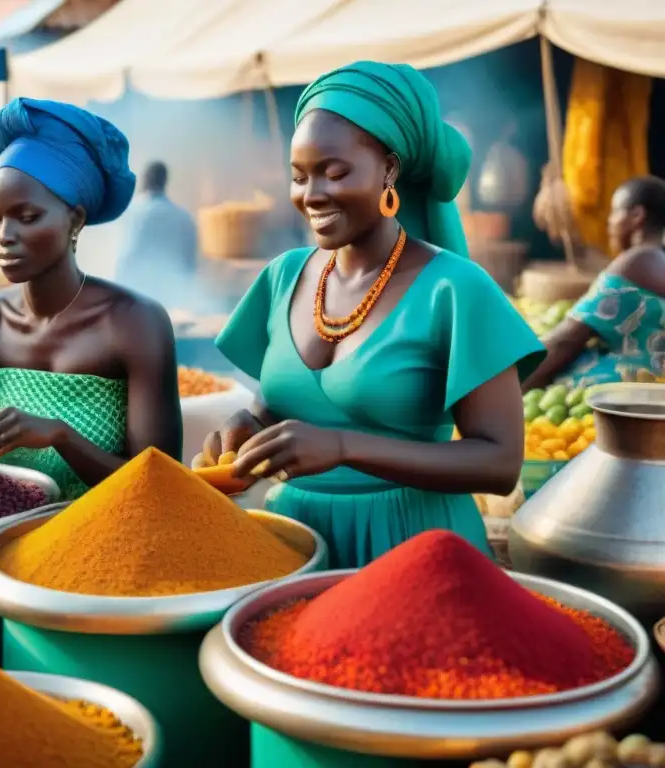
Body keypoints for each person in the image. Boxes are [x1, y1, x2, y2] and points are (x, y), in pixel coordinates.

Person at [197, 62, 545, 568]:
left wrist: (344, 446)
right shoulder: (283, 277)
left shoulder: (454, 289)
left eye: (335, 173)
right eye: (299, 176)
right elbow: (281, 406)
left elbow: (498, 463)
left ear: (389, 170)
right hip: (296, 546)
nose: (312, 194)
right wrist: (248, 425)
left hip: (413, 548)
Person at [0, 98, 182, 500]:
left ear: (76, 220)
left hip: (109, 542)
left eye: (28, 216)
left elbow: (162, 483)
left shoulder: (134, 323)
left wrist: (61, 437)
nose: (5, 235)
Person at [524, 176, 665, 389]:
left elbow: (567, 340)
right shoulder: (656, 260)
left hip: (624, 400)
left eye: (615, 211)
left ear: (637, 215)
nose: (609, 221)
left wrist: (511, 385)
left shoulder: (638, 260)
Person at [115, 161, 198, 306]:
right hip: (170, 298)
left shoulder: (129, 212)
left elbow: (125, 254)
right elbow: (189, 263)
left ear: (144, 179)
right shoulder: (184, 217)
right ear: (165, 182)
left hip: (133, 295)